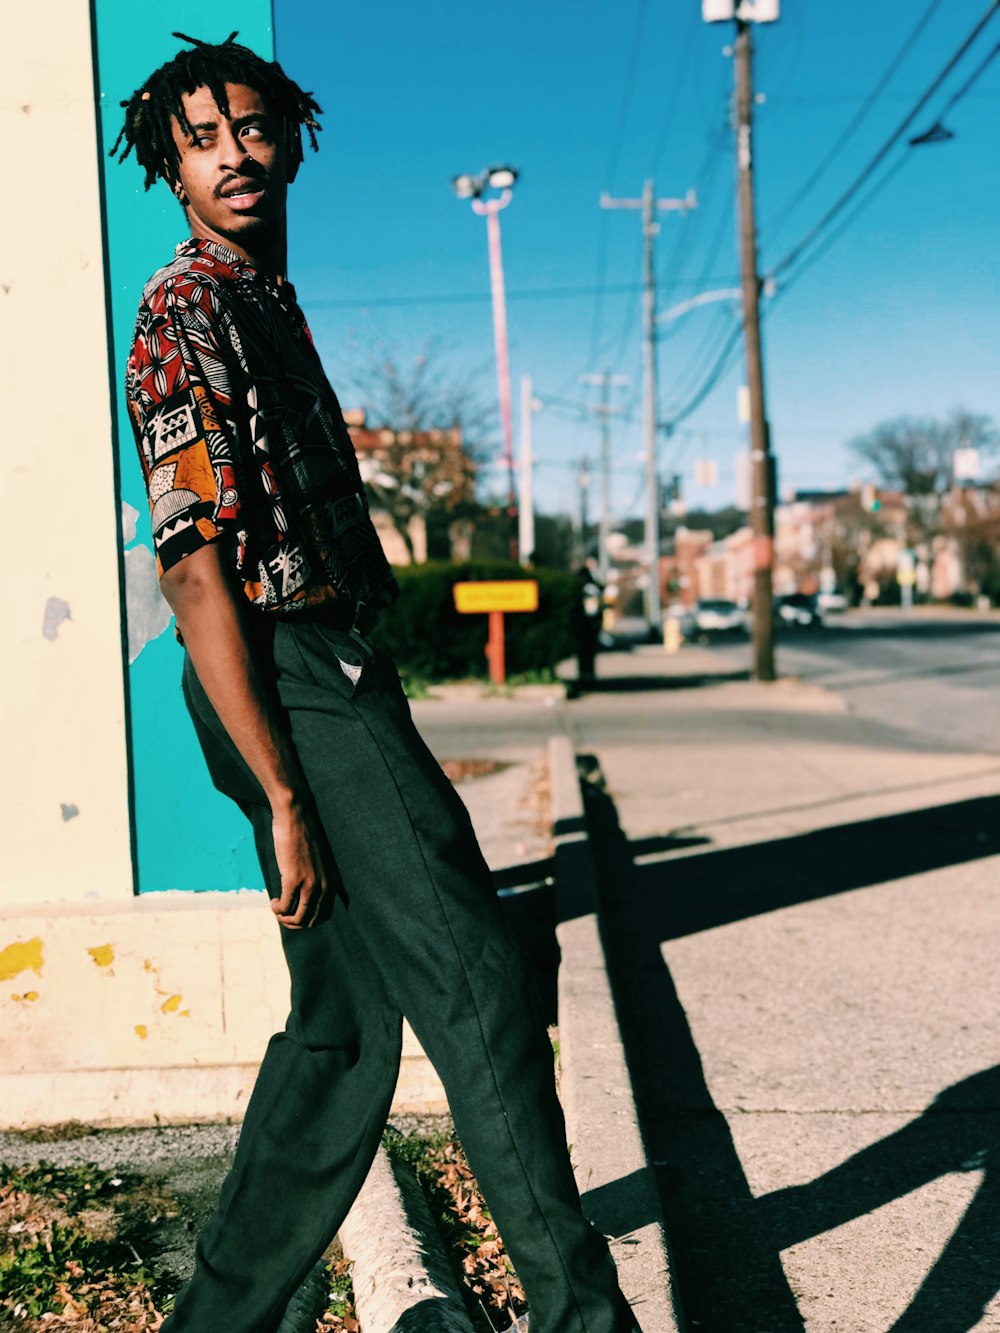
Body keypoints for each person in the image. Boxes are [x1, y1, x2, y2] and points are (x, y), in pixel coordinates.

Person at [113, 33, 639, 1333]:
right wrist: (286, 786)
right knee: (478, 980)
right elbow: (192, 572)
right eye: (201, 138)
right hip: (285, 682)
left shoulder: (262, 296)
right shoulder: (187, 310)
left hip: (320, 675)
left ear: (289, 134)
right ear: (168, 167)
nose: (233, 152)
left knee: (342, 1030)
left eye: (251, 126)